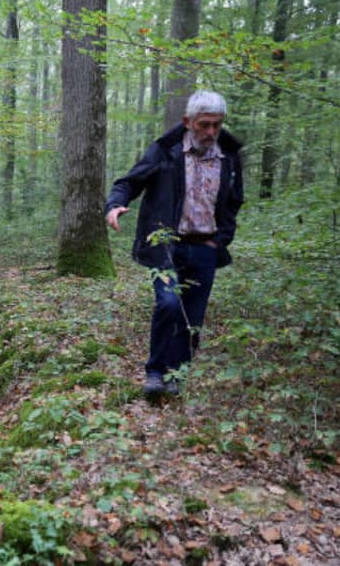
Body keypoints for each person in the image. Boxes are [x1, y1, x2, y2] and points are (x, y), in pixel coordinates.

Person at [105, 90, 244, 397]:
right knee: (168, 304)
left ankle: (175, 375)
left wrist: (220, 240)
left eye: (216, 125)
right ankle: (154, 372)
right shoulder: (165, 151)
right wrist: (114, 205)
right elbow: (129, 182)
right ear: (187, 121)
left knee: (191, 318)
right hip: (166, 246)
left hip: (205, 248)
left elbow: (234, 202)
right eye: (203, 125)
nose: (210, 132)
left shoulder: (230, 156)